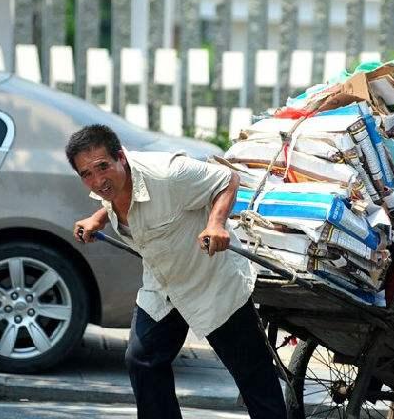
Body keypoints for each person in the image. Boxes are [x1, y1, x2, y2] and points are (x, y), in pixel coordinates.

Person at [66, 124, 286, 419]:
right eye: (86, 175)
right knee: (142, 360)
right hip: (163, 287)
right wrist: (97, 218)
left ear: (121, 157)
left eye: (102, 167)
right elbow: (120, 199)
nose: (98, 180)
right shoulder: (111, 185)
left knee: (252, 376)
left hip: (211, 281)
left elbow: (227, 179)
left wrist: (216, 223)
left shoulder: (168, 174)